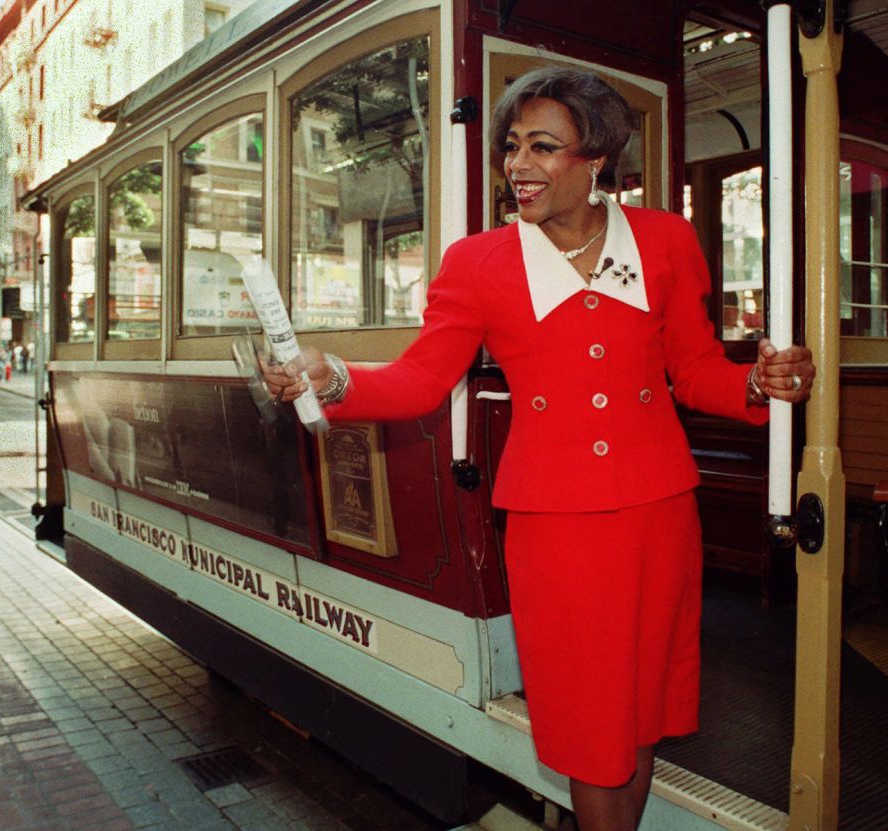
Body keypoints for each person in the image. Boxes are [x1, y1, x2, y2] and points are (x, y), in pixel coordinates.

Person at [264, 67, 815, 831]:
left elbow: (693, 373)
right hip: (556, 525)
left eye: (542, 147)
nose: (517, 165)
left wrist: (758, 385)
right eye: (512, 147)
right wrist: (337, 377)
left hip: (658, 511)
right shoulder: (479, 263)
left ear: (595, 161)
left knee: (639, 712)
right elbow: (424, 378)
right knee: (593, 732)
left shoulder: (664, 240)